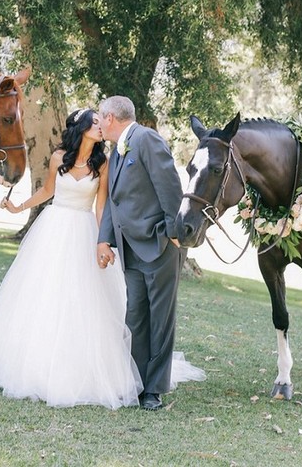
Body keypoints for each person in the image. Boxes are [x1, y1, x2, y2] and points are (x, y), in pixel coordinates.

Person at [0, 108, 143, 408]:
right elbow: (47, 190)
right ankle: (35, 363)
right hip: (53, 229)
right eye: (96, 122)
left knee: (83, 300)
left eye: (102, 123)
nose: (101, 127)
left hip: (84, 229)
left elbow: (101, 208)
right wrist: (19, 207)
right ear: (82, 127)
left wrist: (104, 241)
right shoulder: (59, 157)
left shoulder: (103, 163)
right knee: (45, 294)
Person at [97, 96, 199, 411]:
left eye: (100, 119)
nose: (98, 124)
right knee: (136, 318)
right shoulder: (115, 153)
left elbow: (170, 188)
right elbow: (114, 201)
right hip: (130, 250)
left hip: (159, 246)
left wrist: (172, 234)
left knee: (160, 320)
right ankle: (136, 383)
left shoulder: (147, 139)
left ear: (110, 117)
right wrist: (105, 240)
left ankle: (153, 390)